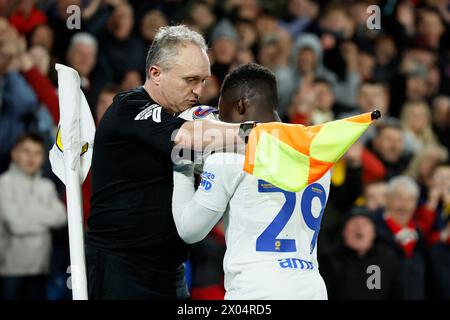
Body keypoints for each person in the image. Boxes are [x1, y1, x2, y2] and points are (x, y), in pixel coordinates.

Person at [85, 25, 243, 300]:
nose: (198, 90)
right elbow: (189, 139)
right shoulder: (130, 106)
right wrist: (266, 134)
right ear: (156, 74)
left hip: (171, 272)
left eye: (203, 80)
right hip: (120, 270)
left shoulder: (190, 115)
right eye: (190, 79)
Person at [172, 63, 330, 299]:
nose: (222, 124)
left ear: (240, 105)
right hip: (312, 286)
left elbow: (189, 230)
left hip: (256, 288)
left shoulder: (228, 158)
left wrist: (181, 167)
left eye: (222, 113)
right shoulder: (315, 155)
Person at [0, 133, 67, 300]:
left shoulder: (47, 186)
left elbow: (61, 217)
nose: (31, 157)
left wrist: (26, 212)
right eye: (26, 151)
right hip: (10, 269)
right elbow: (15, 224)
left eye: (37, 153)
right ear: (14, 154)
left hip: (41, 268)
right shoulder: (4, 183)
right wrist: (44, 216)